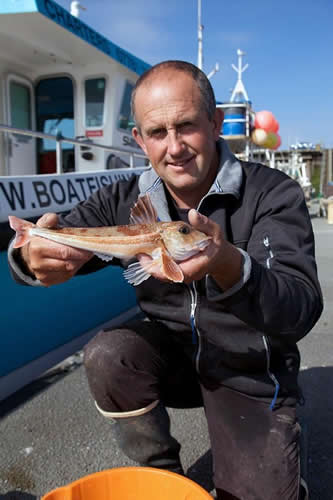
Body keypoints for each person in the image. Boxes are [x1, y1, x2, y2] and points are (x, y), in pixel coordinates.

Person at [8, 61, 323, 500]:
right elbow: (56, 239)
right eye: (157, 132)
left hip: (250, 371)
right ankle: (165, 475)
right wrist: (29, 253)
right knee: (109, 354)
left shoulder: (272, 193)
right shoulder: (122, 200)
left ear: (215, 123)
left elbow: (300, 308)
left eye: (186, 126)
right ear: (139, 139)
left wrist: (228, 262)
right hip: (174, 360)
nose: (173, 147)